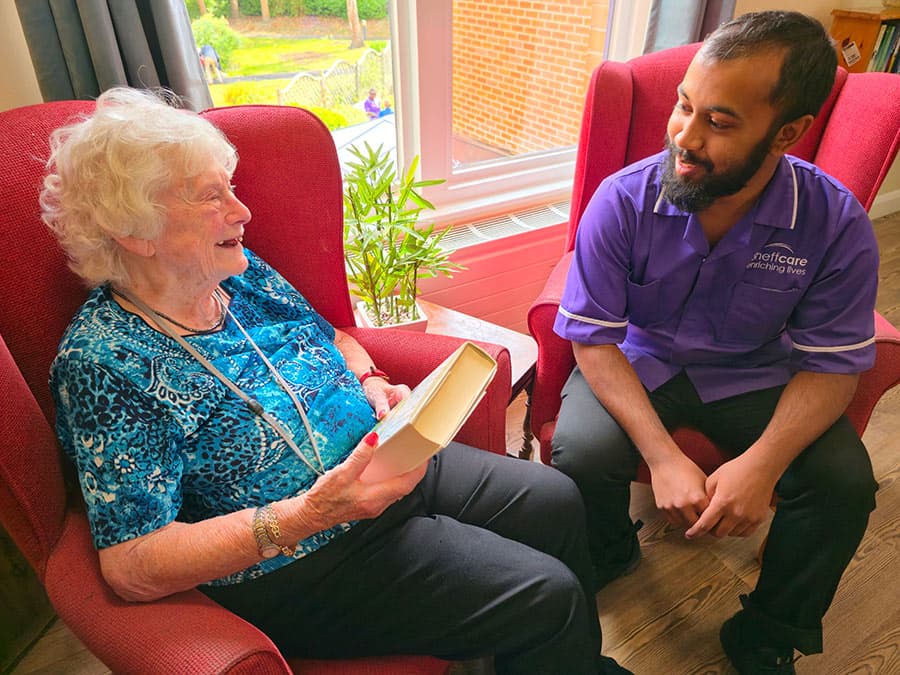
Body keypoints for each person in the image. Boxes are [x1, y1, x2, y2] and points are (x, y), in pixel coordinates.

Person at [41, 87, 629, 675]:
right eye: (210, 197)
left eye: (232, 188)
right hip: (302, 555)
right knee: (547, 597)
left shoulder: (234, 274)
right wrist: (309, 514)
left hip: (379, 459)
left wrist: (371, 380)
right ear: (133, 230)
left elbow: (335, 338)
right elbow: (130, 563)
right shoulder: (103, 364)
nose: (242, 213)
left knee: (557, 499)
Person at [552, 11, 878, 675]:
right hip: (634, 359)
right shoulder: (622, 201)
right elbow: (594, 340)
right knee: (580, 450)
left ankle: (767, 631)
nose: (684, 137)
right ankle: (612, 550)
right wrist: (663, 456)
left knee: (845, 481)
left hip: (755, 373)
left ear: (788, 132)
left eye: (719, 122)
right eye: (683, 106)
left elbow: (831, 365)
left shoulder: (835, 224)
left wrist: (762, 464)